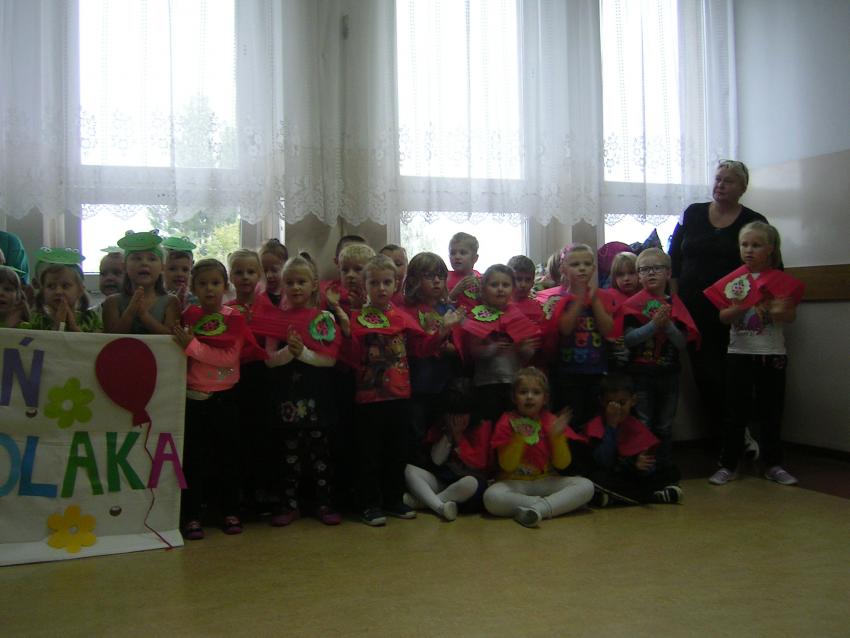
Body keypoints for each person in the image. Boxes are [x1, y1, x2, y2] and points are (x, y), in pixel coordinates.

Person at [344, 254, 463, 526]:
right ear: (365, 286)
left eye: (387, 282)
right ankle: (370, 504)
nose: (381, 288)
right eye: (374, 283)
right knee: (369, 453)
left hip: (399, 394)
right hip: (369, 396)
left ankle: (393, 499)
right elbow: (350, 356)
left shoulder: (401, 317)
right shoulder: (357, 318)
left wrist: (442, 331)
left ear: (396, 284)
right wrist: (348, 330)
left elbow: (421, 349)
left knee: (396, 450)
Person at [669, 160, 770, 446]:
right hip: (692, 310)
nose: (720, 185)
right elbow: (674, 259)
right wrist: (674, 300)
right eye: (717, 179)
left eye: (728, 180)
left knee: (734, 375)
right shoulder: (692, 213)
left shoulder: (754, 221)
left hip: (735, 312)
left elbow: (769, 267)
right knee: (705, 376)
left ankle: (741, 434)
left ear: (743, 188)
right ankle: (722, 439)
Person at [704, 222, 804, 486]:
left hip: (772, 353)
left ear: (770, 249)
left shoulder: (780, 281)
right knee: (735, 412)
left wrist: (778, 309)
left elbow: (790, 316)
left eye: (756, 245)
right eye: (744, 244)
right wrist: (740, 306)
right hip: (739, 353)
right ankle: (728, 464)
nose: (749, 250)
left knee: (772, 410)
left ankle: (773, 464)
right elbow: (723, 317)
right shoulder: (733, 281)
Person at [172, 259, 253, 540]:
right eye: (203, 284)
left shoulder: (234, 318)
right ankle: (192, 515)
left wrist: (192, 346)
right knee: (194, 460)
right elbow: (178, 353)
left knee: (228, 458)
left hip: (225, 397)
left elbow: (229, 358)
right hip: (194, 398)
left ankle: (230, 511)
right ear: (194, 287)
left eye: (215, 283)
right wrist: (190, 346)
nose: (209, 289)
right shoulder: (188, 316)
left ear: (225, 286)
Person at [265, 255, 343, 526]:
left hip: (318, 399)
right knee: (288, 457)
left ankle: (324, 503)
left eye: (301, 281)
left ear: (313, 285)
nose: (295, 287)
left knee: (321, 455)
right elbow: (269, 359)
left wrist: (303, 353)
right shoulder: (275, 319)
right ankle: (289, 505)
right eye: (290, 282)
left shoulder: (324, 318)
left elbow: (330, 359)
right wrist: (290, 352)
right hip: (287, 400)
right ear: (282, 286)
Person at [618, 249, 699, 469]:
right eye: (645, 269)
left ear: (668, 273)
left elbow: (681, 343)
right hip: (641, 375)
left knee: (664, 425)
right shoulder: (633, 305)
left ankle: (664, 468)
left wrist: (668, 325)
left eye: (657, 268)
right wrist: (654, 325)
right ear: (639, 275)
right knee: (643, 423)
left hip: (669, 374)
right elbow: (629, 339)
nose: (651, 273)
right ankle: (645, 470)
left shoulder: (675, 305)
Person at [483, 367, 594, 527]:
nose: (529, 397)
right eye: (523, 392)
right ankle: (550, 505)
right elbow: (507, 465)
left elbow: (562, 464)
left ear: (545, 398)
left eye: (536, 392)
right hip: (515, 482)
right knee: (491, 497)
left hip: (546, 480)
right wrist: (519, 439)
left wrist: (557, 438)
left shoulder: (551, 420)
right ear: (514, 397)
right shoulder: (506, 421)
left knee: (586, 486)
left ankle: (537, 510)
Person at [576, 374, 683, 506]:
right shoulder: (595, 425)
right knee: (595, 479)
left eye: (622, 403)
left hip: (629, 476)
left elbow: (647, 465)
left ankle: (615, 499)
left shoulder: (634, 424)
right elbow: (604, 462)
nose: (617, 409)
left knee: (671, 473)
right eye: (611, 403)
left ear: (633, 401)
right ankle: (651, 497)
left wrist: (641, 466)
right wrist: (611, 425)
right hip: (608, 473)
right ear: (602, 402)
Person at [456, 264, 541, 425]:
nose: (500, 289)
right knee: (489, 425)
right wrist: (492, 349)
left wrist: (527, 350)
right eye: (494, 285)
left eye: (506, 285)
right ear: (484, 289)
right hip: (486, 383)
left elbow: (525, 356)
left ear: (513, 289)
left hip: (515, 382)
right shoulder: (477, 316)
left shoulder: (518, 317)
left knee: (512, 426)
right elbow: (473, 351)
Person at [398, 251, 461, 464]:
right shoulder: (407, 310)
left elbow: (459, 348)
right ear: (414, 280)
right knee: (416, 434)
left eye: (441, 276)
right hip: (416, 385)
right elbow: (412, 348)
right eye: (429, 276)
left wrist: (450, 346)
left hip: (443, 383)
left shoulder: (448, 309)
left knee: (439, 434)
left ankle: (436, 475)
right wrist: (440, 334)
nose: (436, 281)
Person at [548, 243, 615, 425]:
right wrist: (579, 298)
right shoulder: (559, 298)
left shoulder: (601, 297)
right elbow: (565, 328)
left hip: (596, 371)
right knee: (572, 421)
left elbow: (607, 329)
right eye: (575, 264)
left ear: (593, 268)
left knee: (594, 421)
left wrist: (594, 300)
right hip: (568, 373)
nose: (582, 268)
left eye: (586, 264)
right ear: (563, 269)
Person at [103, 231, 179, 334]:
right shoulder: (112, 302)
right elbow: (109, 339)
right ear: (124, 267)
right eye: (136, 258)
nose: (144, 263)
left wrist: (143, 315)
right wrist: (131, 311)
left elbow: (170, 338)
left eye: (152, 259)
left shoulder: (171, 302)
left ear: (162, 268)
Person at [27, 248, 102, 332]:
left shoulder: (90, 318)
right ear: (43, 291)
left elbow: (93, 340)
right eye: (51, 286)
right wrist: (58, 325)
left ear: (80, 290)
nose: (58, 291)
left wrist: (72, 326)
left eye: (65, 286)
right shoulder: (37, 320)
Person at [446, 232, 481, 310]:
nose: (457, 257)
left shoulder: (482, 278)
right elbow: (439, 306)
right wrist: (454, 293)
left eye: (462, 253)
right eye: (453, 253)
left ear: (474, 258)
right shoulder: (444, 278)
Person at [162, 236, 196, 311]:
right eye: (172, 269)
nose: (179, 274)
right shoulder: (157, 298)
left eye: (185, 270)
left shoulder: (196, 300)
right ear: (162, 269)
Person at [259, 238, 289, 307]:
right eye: (265, 270)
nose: (269, 275)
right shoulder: (256, 293)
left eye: (274, 270)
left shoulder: (290, 294)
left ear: (285, 268)